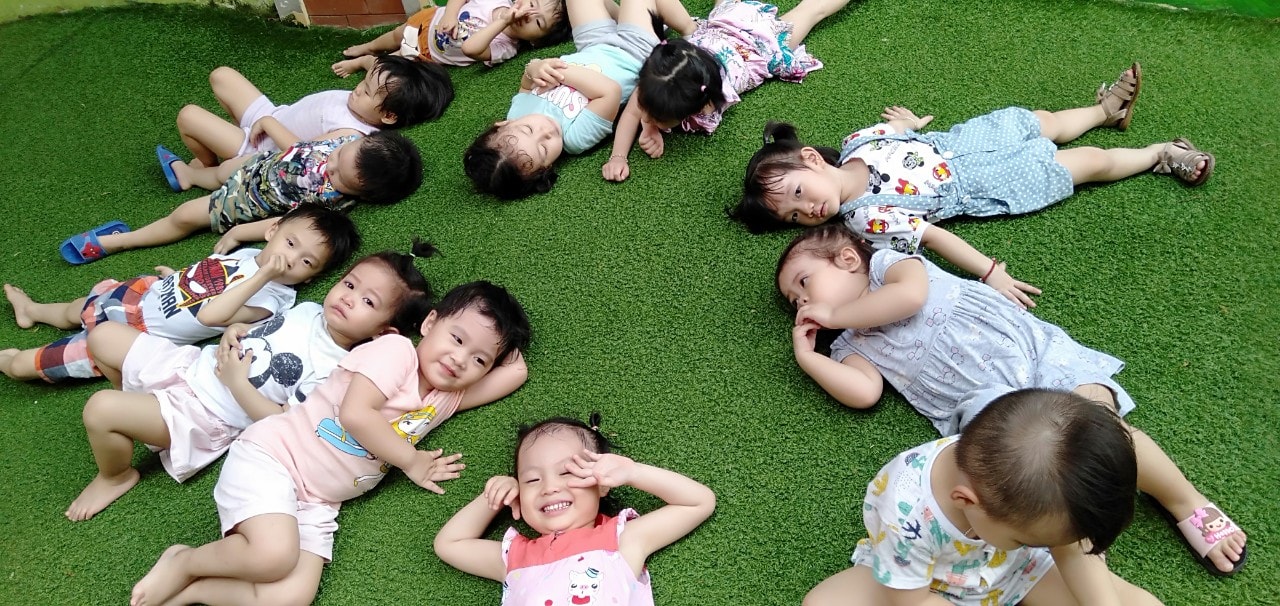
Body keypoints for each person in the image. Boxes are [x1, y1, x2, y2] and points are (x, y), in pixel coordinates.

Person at [775, 223, 1247, 577]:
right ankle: (1070, 537)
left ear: (847, 259)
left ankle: (1185, 501)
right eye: (795, 301)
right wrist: (809, 358)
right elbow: (864, 393)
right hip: (990, 405)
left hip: (1035, 356)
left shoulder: (888, 266)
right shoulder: (851, 345)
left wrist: (835, 313)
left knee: (1102, 426)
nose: (802, 303)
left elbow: (911, 299)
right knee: (1031, 478)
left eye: (804, 284)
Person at [129, 281, 532, 606]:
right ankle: (184, 562)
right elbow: (357, 415)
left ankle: (194, 592)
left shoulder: (446, 398)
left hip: (320, 500)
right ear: (429, 323)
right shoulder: (396, 353)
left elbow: (515, 372)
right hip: (276, 457)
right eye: (457, 338)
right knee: (273, 557)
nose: (461, 359)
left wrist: (497, 344)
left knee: (289, 597)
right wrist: (412, 461)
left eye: (479, 360)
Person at [64, 240, 437, 522]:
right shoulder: (308, 310)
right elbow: (262, 331)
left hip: (206, 413)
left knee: (100, 410)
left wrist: (237, 383)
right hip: (190, 366)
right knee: (103, 337)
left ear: (382, 333)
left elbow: (283, 421)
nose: (349, 299)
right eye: (350, 285)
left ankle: (116, 475)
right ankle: (137, 410)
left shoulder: (337, 368)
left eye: (368, 302)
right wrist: (236, 330)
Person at [733, 63, 1215, 234]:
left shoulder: (856, 141)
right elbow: (926, 240)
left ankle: (1103, 111)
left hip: (965, 141)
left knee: (1044, 122)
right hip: (984, 183)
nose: (807, 210)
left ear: (812, 160)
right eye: (793, 217)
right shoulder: (864, 218)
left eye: (798, 193)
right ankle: (1161, 154)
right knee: (1088, 163)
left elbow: (896, 133)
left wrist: (910, 124)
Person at [805, 388, 1162, 606]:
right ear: (967, 501)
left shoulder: (1030, 484)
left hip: (1016, 568)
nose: (1048, 545)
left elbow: (1069, 549)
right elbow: (911, 600)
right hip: (932, 584)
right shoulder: (906, 516)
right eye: (1028, 540)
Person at [1, 206, 356, 382]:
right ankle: (33, 311)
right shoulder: (249, 254)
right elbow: (211, 279)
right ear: (272, 231)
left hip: (134, 336)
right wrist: (177, 278)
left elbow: (212, 316)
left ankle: (10, 362)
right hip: (144, 296)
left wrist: (265, 276)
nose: (290, 259)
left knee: (28, 364)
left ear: (311, 277)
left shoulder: (273, 300)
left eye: (305, 261)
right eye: (291, 243)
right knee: (76, 309)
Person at [434, 414, 716, 604]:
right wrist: (492, 498)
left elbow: (698, 502)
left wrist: (633, 473)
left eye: (567, 472)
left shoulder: (621, 539)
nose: (549, 487)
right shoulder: (515, 556)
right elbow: (449, 544)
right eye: (531, 480)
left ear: (601, 483)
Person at [60, 131, 422, 265]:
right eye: (339, 155)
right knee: (220, 171)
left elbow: (284, 224)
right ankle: (190, 176)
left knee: (184, 216)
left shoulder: (330, 202)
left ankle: (119, 241)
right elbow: (305, 145)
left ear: (364, 194)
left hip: (242, 204)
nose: (329, 165)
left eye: (340, 177)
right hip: (257, 167)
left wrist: (238, 233)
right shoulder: (347, 139)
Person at [463, 0, 694, 199]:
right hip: (632, 53)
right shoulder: (575, 138)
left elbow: (526, 83)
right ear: (546, 167)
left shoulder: (517, 114)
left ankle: (639, 19)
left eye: (528, 130)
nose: (545, 132)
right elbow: (609, 91)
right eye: (543, 149)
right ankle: (692, 31)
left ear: (503, 124)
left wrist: (533, 68)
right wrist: (558, 72)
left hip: (592, 44)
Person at [603, 0, 847, 182]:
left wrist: (651, 127)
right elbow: (633, 112)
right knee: (720, 9)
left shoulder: (705, 107)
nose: (644, 116)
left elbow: (639, 114)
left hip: (760, 44)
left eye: (655, 117)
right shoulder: (664, 77)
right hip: (721, 26)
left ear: (698, 109)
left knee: (813, 10)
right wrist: (619, 156)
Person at [161, 56, 450, 187]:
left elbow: (301, 154)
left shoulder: (351, 133)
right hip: (273, 115)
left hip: (258, 149)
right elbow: (374, 65)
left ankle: (207, 166)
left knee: (188, 116)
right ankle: (220, 143)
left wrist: (268, 125)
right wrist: (358, 62)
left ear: (388, 116)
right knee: (222, 75)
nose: (358, 88)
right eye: (363, 82)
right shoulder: (375, 93)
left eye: (366, 91)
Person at [331, 0, 570, 77]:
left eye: (538, 22)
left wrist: (504, 21)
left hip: (428, 54)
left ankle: (361, 63)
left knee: (393, 62)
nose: (529, 14)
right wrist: (450, 14)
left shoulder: (507, 47)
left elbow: (471, 49)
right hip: (428, 21)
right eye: (532, 3)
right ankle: (369, 47)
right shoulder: (497, 0)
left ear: (536, 42)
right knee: (395, 35)